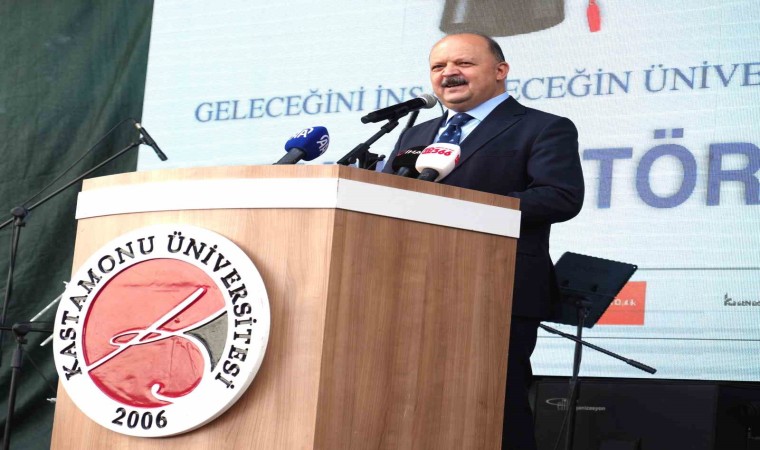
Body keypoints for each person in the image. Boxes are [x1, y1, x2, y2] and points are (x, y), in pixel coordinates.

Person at [382, 33, 584, 449]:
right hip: (411, 288)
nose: (449, 73)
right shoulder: (415, 134)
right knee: (414, 403)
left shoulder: (542, 128)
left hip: (496, 289)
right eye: (438, 67)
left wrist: (468, 210)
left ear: (500, 71)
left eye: (464, 63)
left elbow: (560, 196)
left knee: (493, 405)